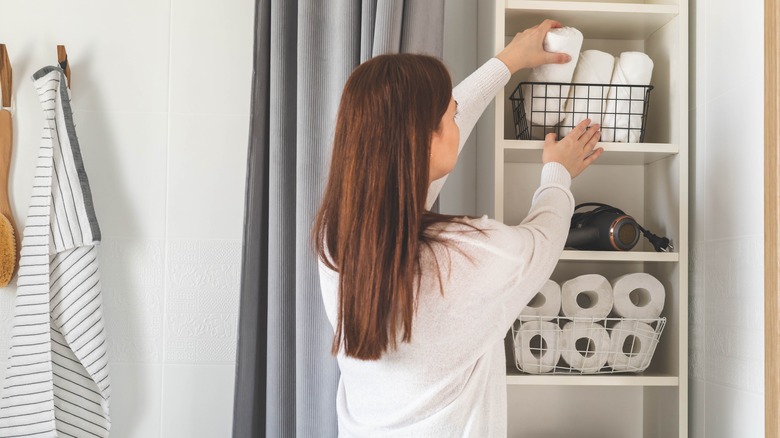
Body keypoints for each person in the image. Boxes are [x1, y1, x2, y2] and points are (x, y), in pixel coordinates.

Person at [313, 19, 604, 437]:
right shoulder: (469, 258)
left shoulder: (338, 240)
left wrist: (506, 62)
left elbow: (431, 141)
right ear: (424, 140)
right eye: (448, 116)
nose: (456, 118)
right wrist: (558, 173)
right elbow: (542, 243)